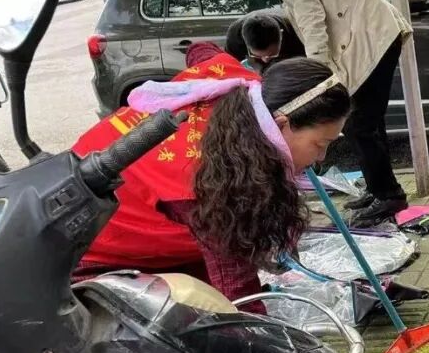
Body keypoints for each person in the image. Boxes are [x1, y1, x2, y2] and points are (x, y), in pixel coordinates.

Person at [71, 53, 351, 306]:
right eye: (320, 144)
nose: (321, 158)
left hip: (102, 195)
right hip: (91, 258)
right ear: (280, 125)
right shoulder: (214, 182)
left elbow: (201, 51)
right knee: (205, 316)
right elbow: (239, 293)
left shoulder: (246, 86)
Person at [250, 0, 411, 227]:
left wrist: (318, 78)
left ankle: (388, 195)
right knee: (367, 123)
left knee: (359, 125)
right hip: (375, 37)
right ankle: (379, 189)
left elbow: (314, 27)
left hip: (372, 42)